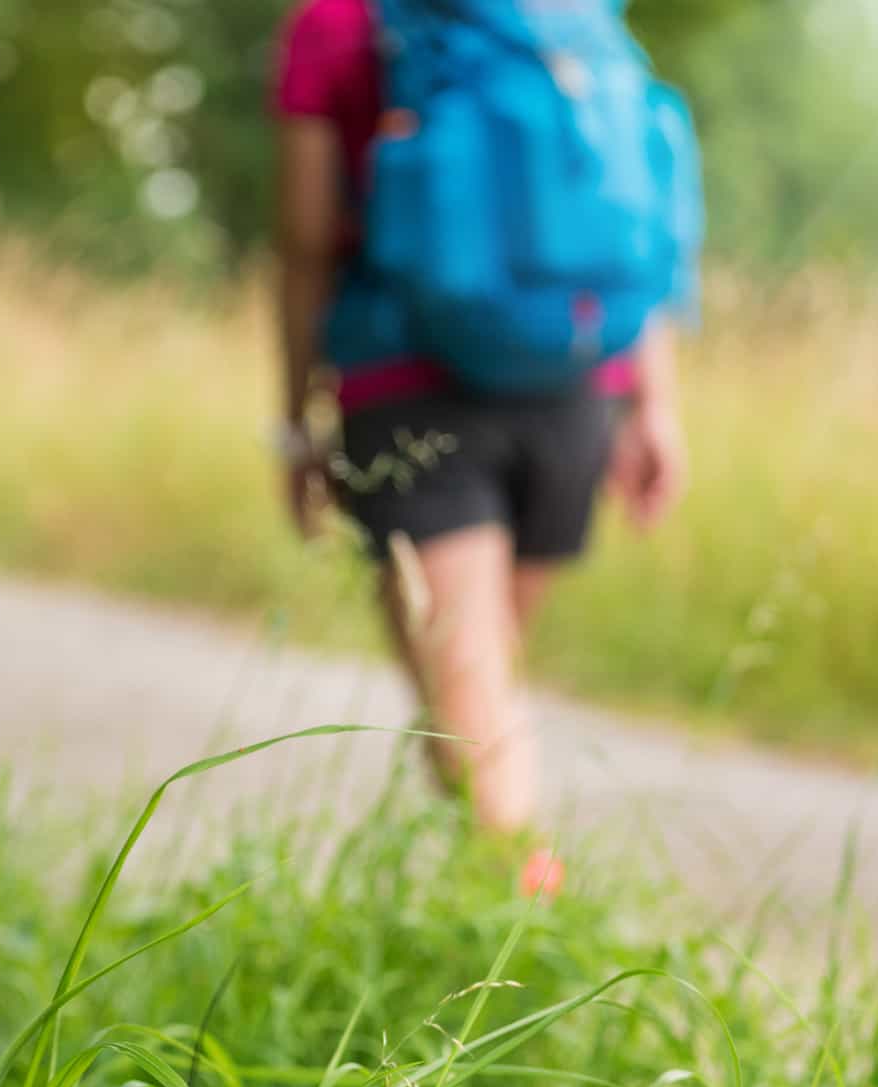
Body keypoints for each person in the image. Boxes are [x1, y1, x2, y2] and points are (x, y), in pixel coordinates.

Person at [273, 0, 691, 840]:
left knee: (466, 701)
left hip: (409, 386)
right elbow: (619, 204)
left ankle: (529, 928)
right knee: (479, 684)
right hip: (578, 387)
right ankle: (486, 921)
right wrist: (655, 406)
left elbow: (307, 238)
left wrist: (295, 421)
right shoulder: (570, 15)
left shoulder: (336, 22)